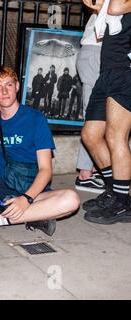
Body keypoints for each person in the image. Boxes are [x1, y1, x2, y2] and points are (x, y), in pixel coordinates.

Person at [0, 66, 80, 235]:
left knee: (71, 200)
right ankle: (34, 216)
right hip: (0, 189)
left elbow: (46, 169)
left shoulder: (36, 119)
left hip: (32, 189)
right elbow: (0, 160)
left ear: (17, 86)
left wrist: (26, 199)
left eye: (9, 85)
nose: (4, 91)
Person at [81, 0, 131, 224]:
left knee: (116, 135)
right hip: (108, 71)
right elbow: (106, 7)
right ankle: (115, 191)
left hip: (126, 72)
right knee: (90, 135)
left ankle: (121, 202)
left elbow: (115, 8)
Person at [74, 9, 106, 194]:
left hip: (98, 51)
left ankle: (93, 170)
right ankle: (86, 173)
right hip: (98, 51)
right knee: (96, 115)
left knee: (102, 115)